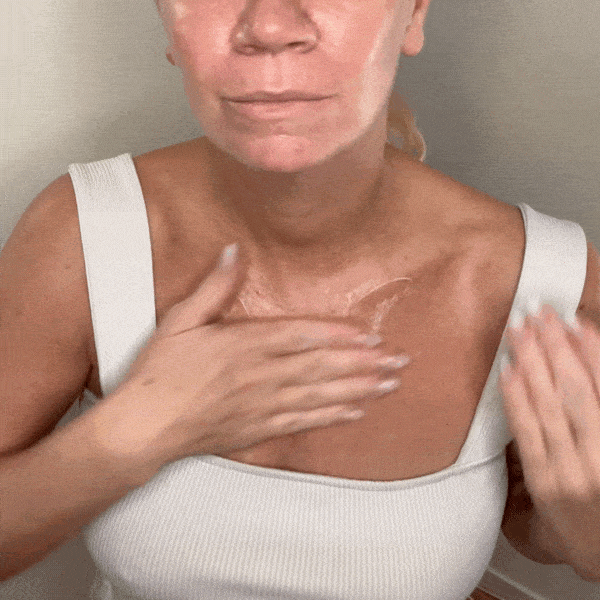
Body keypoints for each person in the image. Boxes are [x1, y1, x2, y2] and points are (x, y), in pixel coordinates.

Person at [1, 0, 598, 598]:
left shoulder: (553, 285)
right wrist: (126, 439)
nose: (268, 26)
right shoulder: (82, 234)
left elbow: (522, 519)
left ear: (414, 14)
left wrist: (586, 539)